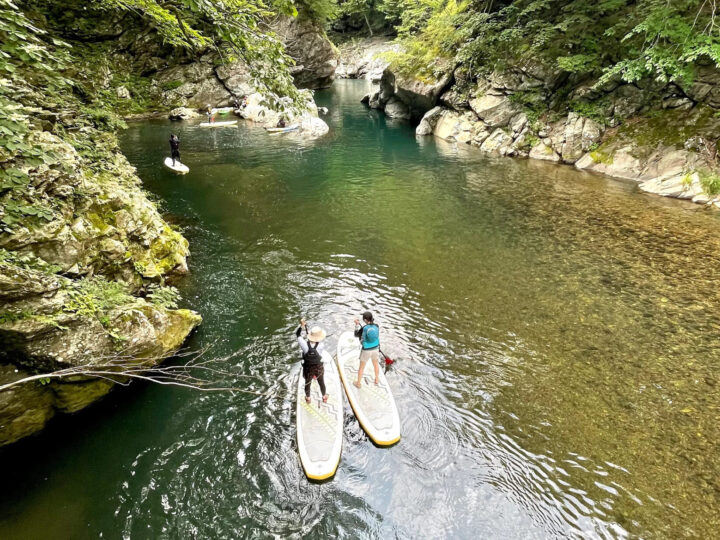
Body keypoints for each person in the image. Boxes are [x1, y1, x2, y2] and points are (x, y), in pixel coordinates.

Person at [296, 318, 328, 404]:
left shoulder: (303, 344)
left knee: (307, 384)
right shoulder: (321, 345)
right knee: (321, 383)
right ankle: (324, 397)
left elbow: (298, 334)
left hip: (308, 369)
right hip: (318, 368)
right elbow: (316, 343)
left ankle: (308, 398)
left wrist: (302, 326)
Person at [353, 311, 380, 388]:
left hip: (366, 350)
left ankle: (358, 383)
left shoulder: (364, 328)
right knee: (375, 364)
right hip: (376, 348)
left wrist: (357, 325)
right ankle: (377, 379)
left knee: (361, 367)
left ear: (365, 320)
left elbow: (356, 334)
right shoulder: (377, 326)